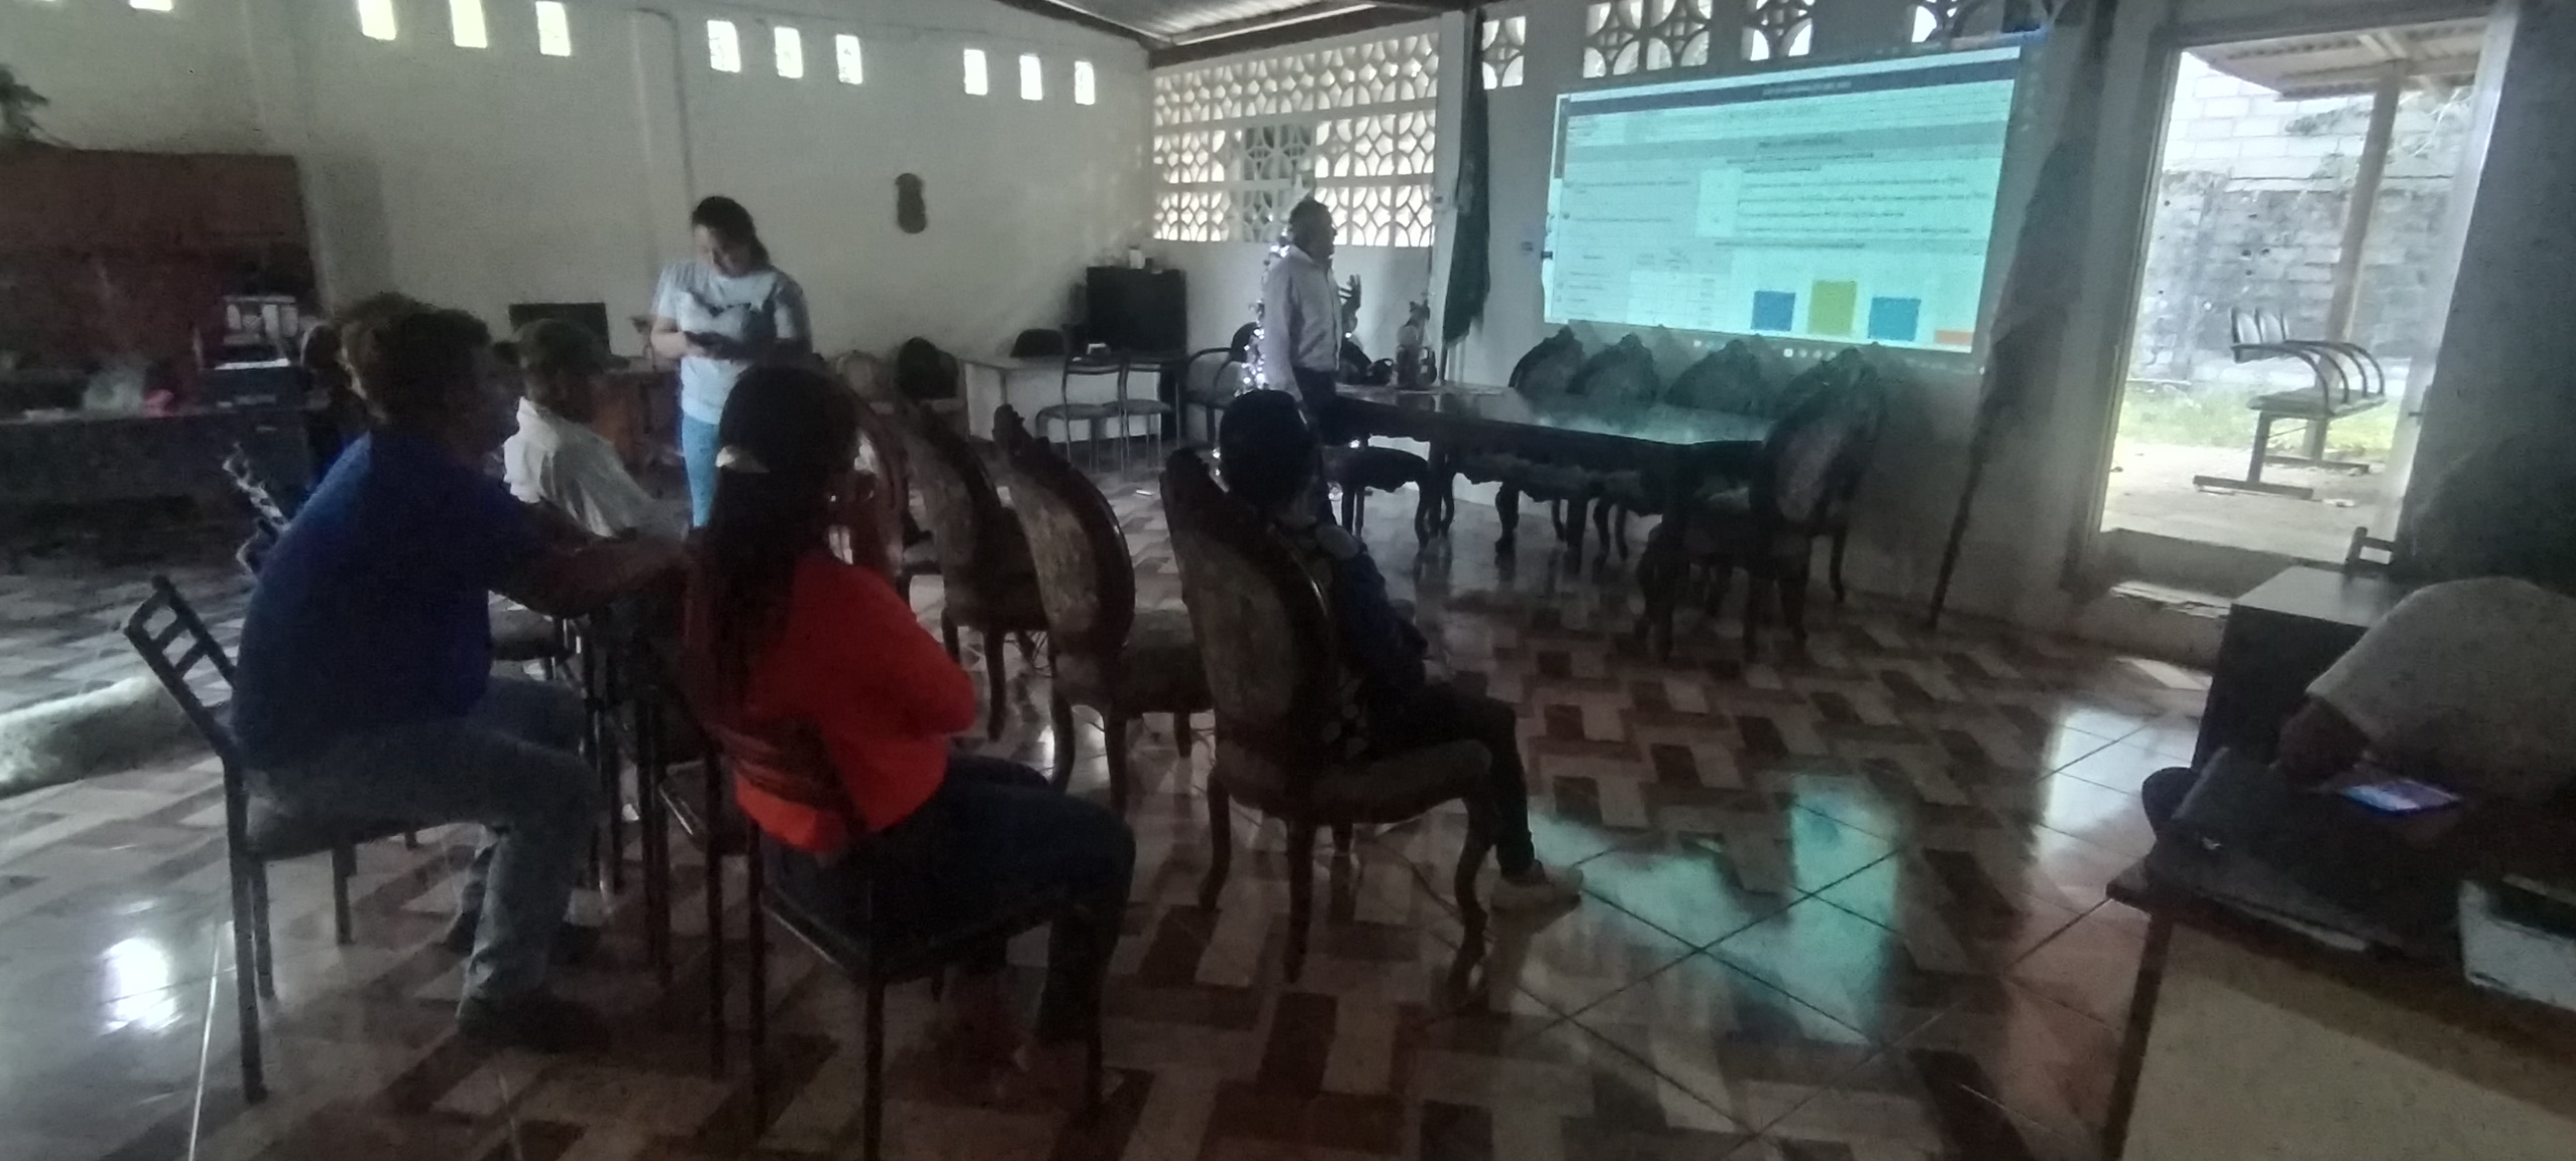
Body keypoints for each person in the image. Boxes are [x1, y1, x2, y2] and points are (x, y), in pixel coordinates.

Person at [232, 300, 687, 1051]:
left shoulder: (395, 458)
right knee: (560, 789)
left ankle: (490, 912)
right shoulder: (423, 483)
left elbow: (512, 522)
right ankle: (502, 994)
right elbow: (561, 587)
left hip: (364, 706)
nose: (511, 388)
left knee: (554, 714)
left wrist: (560, 530)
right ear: (453, 397)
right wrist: (660, 551)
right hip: (322, 749)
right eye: (491, 378)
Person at [684, 365, 1133, 1091]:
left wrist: (864, 561)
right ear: (829, 482)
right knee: (1105, 843)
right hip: (877, 874)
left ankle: (978, 996)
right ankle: (1058, 1046)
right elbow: (954, 707)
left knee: (1015, 782)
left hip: (789, 845)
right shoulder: (837, 596)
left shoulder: (711, 572)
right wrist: (876, 549)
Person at [1214, 391, 1584, 910]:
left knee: (1412, 640)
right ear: (1307, 466)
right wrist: (1426, 668)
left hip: (1255, 718)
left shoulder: (1227, 541)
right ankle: (1519, 876)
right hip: (1341, 735)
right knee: (1493, 722)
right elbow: (1394, 670)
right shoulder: (1333, 557)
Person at [2141, 576, 2576, 833]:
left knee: (2177, 789)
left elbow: (2307, 753)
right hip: (2524, 847)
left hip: (2419, 845)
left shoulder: (2453, 609)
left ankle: (2229, 906)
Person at [649, 196, 811, 526]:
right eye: (704, 251)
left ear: (746, 239)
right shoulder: (679, 276)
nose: (714, 261)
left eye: (725, 250)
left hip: (756, 414)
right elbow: (658, 338)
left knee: (758, 508)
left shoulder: (776, 286)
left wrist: (742, 351)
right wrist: (685, 344)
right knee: (706, 509)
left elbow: (798, 350)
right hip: (699, 413)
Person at [503, 318, 683, 540]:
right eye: (599, 375)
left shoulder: (518, 437)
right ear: (563, 382)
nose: (607, 388)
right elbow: (629, 533)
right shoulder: (572, 450)